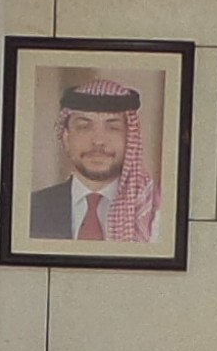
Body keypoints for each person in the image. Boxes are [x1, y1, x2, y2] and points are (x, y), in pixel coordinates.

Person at [23, 79, 153, 248]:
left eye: (113, 128)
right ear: (65, 137)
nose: (98, 141)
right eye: (84, 127)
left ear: (130, 138)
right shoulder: (31, 210)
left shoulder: (153, 213)